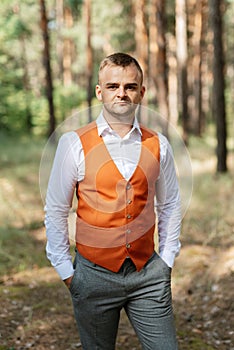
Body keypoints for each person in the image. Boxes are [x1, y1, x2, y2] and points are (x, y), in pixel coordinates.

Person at [45, 52, 181, 350]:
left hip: (148, 275)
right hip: (92, 276)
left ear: (141, 92)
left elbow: (169, 204)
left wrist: (167, 259)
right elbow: (56, 209)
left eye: (130, 86)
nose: (122, 93)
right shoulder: (74, 143)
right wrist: (67, 273)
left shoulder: (158, 143)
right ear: (99, 91)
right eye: (112, 86)